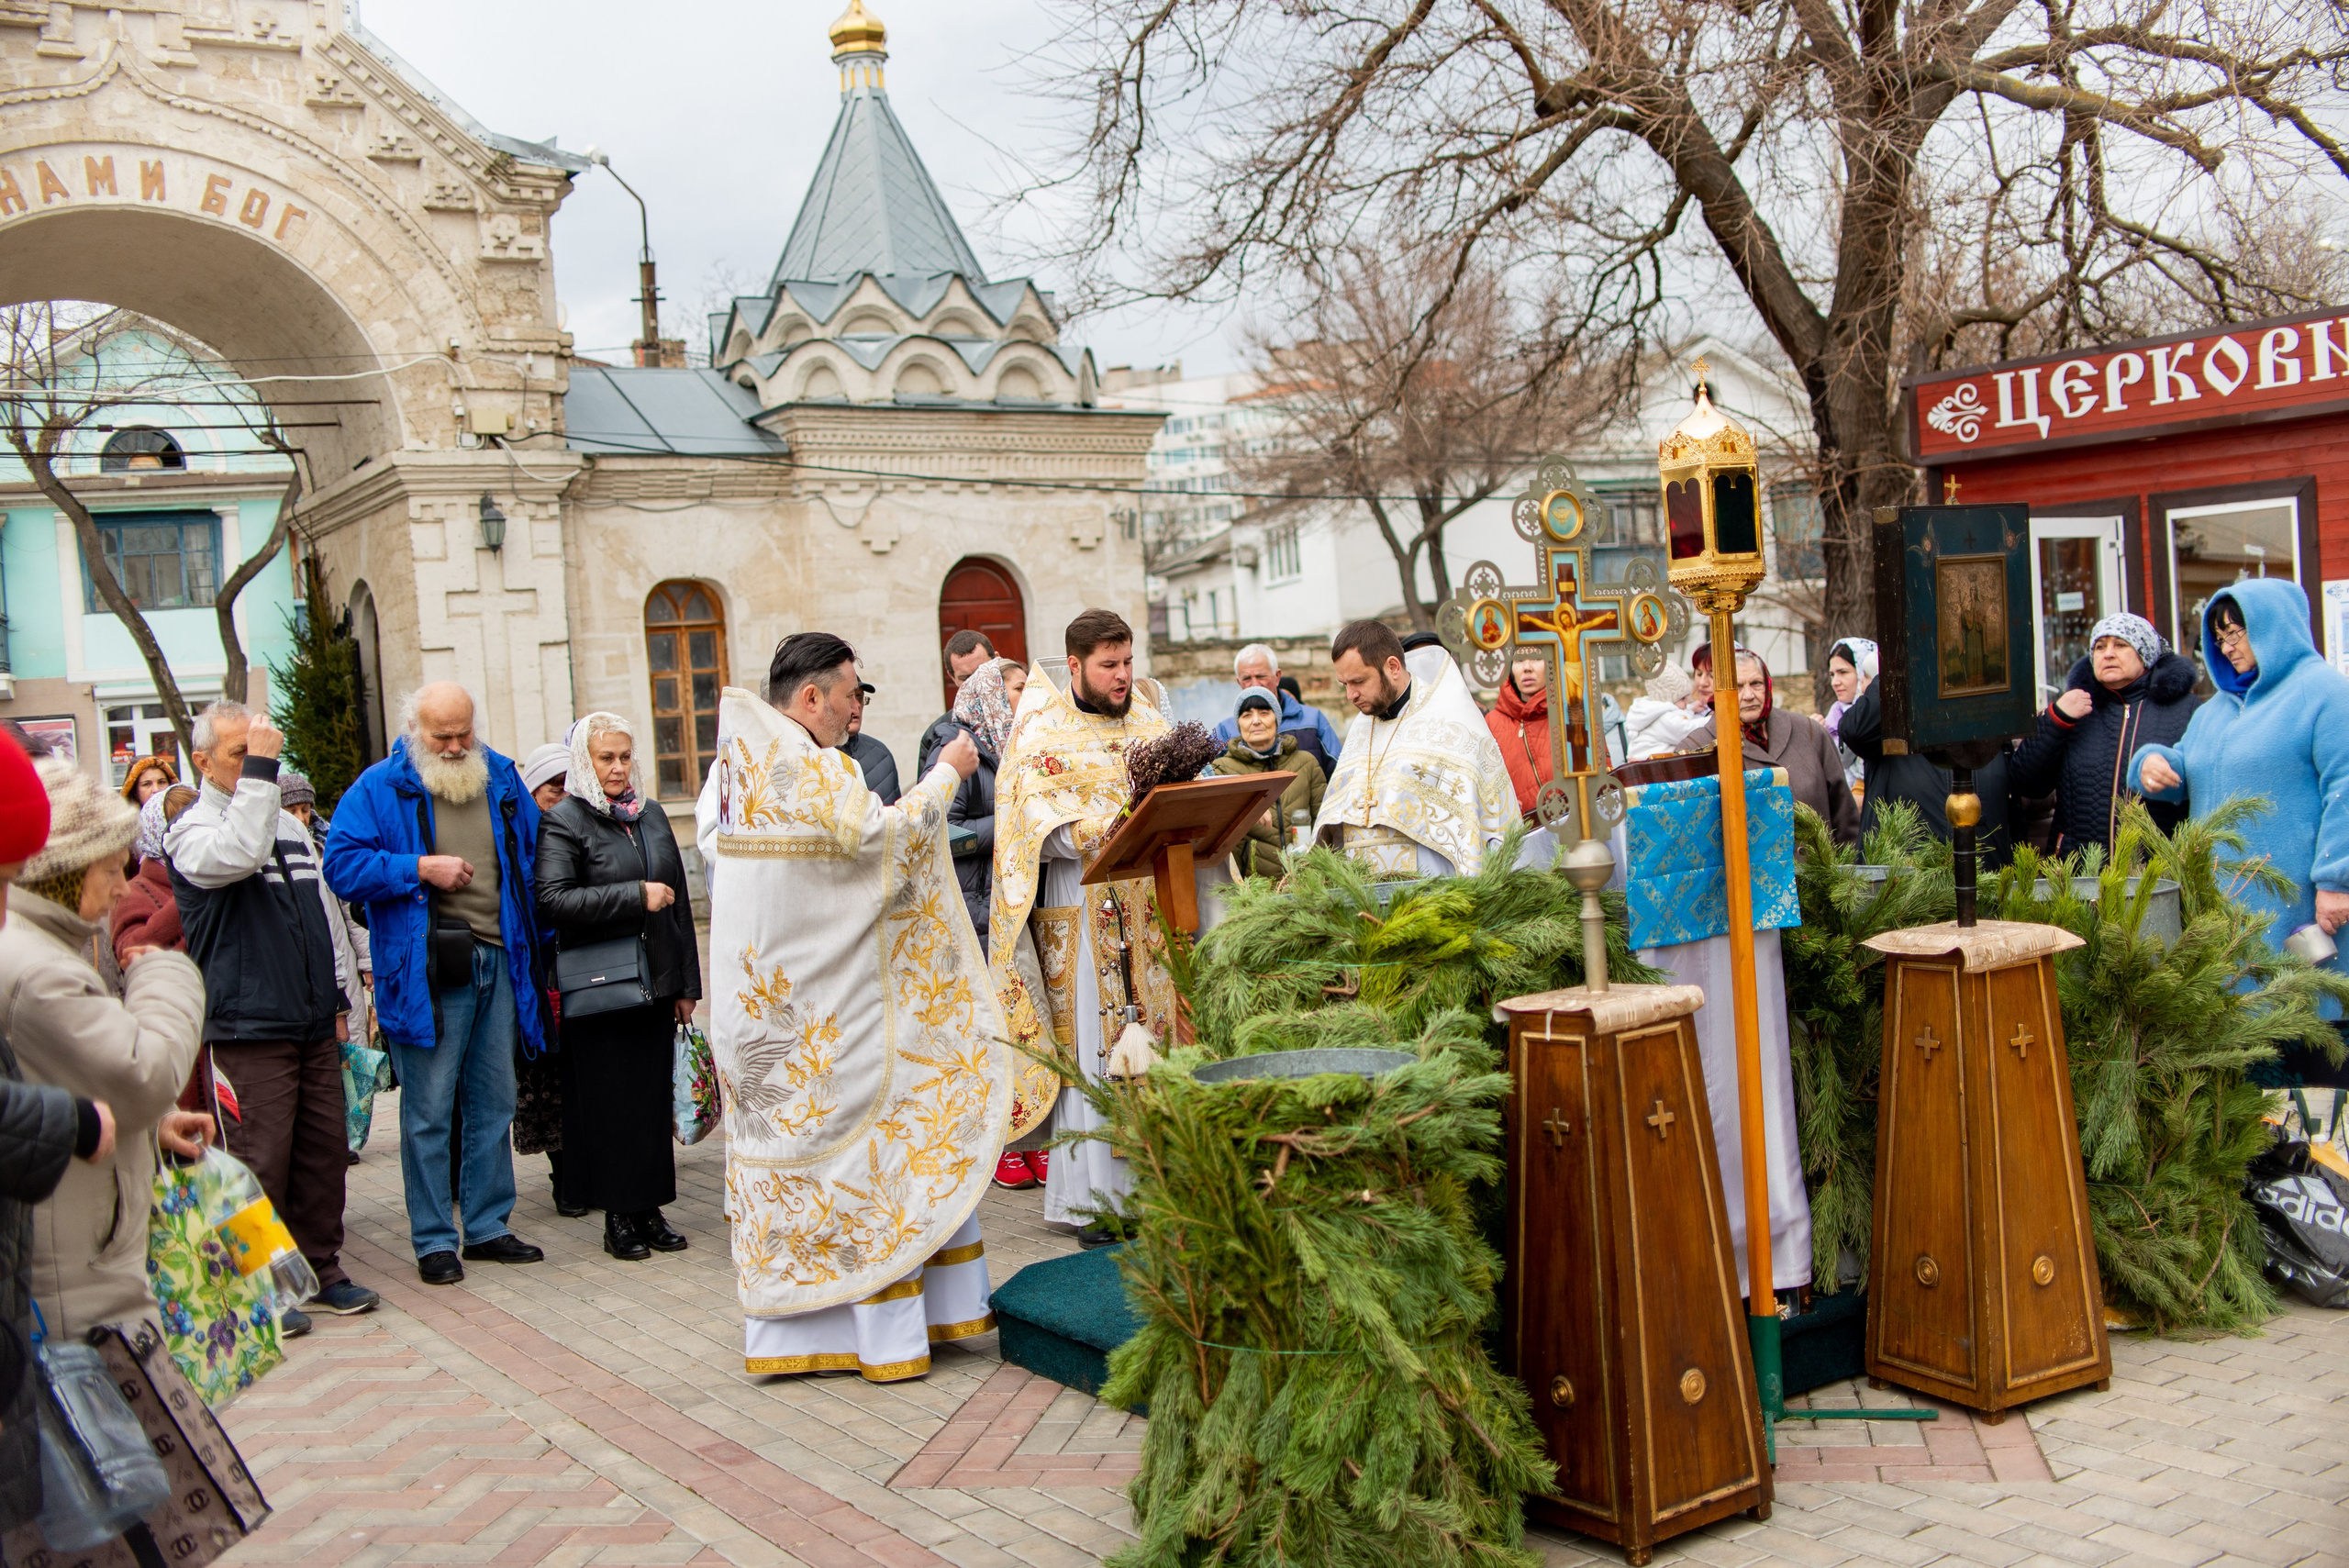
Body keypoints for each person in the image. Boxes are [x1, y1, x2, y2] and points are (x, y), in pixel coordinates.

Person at [698, 632, 1002, 1380]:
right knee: (877, 1145)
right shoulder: (806, 764)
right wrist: (946, 774)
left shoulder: (736, 766)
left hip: (766, 1014)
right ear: (811, 698)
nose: (854, 711)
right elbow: (884, 840)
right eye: (850, 694)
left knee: (802, 1163)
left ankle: (798, 1333)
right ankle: (884, 1334)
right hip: (827, 1017)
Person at [3, 754, 216, 1553]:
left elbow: (52, 1090)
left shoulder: (46, 947)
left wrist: (138, 1130)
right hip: (72, 1295)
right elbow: (141, 1074)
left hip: (82, 1268)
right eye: (109, 862)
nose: (126, 878)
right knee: (115, 1525)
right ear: (62, 872)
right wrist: (167, 978)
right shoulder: (34, 967)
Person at [991, 609, 1222, 1240]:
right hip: (1084, 904)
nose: (1123, 677)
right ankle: (1098, 1201)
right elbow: (1026, 825)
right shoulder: (1039, 728)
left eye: (1127, 663)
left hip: (1151, 903)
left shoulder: (1149, 719)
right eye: (1109, 666)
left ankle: (1158, 1189)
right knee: (1097, 1054)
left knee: (1157, 1041)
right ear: (1075, 665)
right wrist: (1097, 828)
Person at [322, 684, 548, 1285]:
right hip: (424, 971)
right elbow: (340, 864)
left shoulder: (499, 774)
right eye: (440, 735)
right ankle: (432, 1239)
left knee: (494, 1099)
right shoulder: (378, 786)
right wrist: (417, 869)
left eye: (462, 733)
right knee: (428, 1109)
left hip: (500, 962)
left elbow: (533, 854)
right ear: (412, 729)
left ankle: (488, 1225)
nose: (453, 746)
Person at [166, 701, 377, 1324]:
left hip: (310, 1020)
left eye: (263, 754)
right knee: (258, 1156)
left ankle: (319, 1267)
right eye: (242, 754)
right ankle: (257, 1283)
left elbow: (322, 922)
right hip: (246, 1026)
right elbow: (237, 851)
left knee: (322, 1152)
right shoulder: (192, 830)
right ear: (202, 762)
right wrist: (262, 774)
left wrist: (338, 1001)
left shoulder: (286, 828)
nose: (259, 766)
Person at [2132, 583, 2349, 1084]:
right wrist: (2151, 764)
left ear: (2277, 626)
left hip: (2302, 913)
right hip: (2225, 918)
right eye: (2218, 635)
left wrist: (2337, 880)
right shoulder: (2214, 712)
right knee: (2245, 1063)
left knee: (2312, 1051)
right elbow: (2183, 765)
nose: (2228, 646)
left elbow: (2345, 786)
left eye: (2237, 632)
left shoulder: (2324, 693)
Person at [536, 713, 699, 1260]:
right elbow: (553, 901)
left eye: (625, 756)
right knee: (611, 1105)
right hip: (602, 987)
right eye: (606, 757)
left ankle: (650, 1209)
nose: (618, 767)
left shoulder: (650, 814)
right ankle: (618, 1219)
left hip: (654, 982)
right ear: (584, 760)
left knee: (651, 1102)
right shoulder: (565, 820)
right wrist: (634, 896)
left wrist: (686, 985)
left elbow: (677, 904)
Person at [1314, 619, 1513, 877]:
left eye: (1359, 681)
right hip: (1363, 895)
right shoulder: (1361, 728)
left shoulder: (1451, 720)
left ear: (1393, 667)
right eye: (1345, 685)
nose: (1350, 695)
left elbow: (1484, 817)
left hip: (1434, 889)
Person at [2009, 613, 2199, 858]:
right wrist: (2056, 720)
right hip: (2080, 875)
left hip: (2158, 875)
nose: (2108, 653)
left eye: (2120, 645)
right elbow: (2027, 783)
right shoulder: (2073, 710)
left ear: (2146, 653)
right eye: (2100, 647)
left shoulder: (2186, 709)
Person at [1837, 666, 2019, 866]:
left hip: (1986, 879)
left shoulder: (1987, 689)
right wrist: (1908, 663)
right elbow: (1857, 731)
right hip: (1904, 885)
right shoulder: (1900, 691)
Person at [1686, 648, 1861, 846]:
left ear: (1768, 685)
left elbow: (1846, 819)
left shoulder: (1810, 733)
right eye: (1737, 687)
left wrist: (1848, 873)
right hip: (1744, 876)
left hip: (1820, 875)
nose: (1749, 695)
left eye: (1756, 684)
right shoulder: (1696, 748)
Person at [946, 657, 1024, 951]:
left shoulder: (1013, 747)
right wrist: (1014, 821)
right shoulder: (958, 749)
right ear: (995, 698)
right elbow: (948, 832)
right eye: (1020, 688)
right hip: (978, 904)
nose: (1030, 697)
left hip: (1014, 896)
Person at [1212, 689, 1329, 876]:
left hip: (1305, 878)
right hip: (1252, 884)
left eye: (1264, 713)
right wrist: (1246, 804)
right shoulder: (1222, 769)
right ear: (1238, 724)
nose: (1256, 721)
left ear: (1277, 719)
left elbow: (1324, 822)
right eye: (1247, 715)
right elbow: (1215, 827)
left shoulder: (1306, 763)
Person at [1209, 643, 1341, 773]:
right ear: (1239, 682)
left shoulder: (1312, 720)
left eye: (1261, 676)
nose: (1255, 684)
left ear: (1277, 676)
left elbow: (1338, 770)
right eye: (1247, 678)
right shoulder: (1226, 730)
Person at [113, 783, 198, 964]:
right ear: (160, 834)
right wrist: (191, 896)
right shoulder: (133, 893)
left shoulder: (224, 876)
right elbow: (128, 953)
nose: (198, 838)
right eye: (185, 829)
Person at [1485, 654, 1555, 819]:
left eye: (1537, 658)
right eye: (1519, 660)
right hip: (1522, 835)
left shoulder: (1572, 712)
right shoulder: (1491, 723)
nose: (1527, 668)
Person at [918, 628, 996, 775]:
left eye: (982, 672)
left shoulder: (1028, 712)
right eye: (965, 678)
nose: (975, 684)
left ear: (997, 660)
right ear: (952, 676)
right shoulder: (936, 734)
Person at [1821, 638, 1877, 791]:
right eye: (1832, 674)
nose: (1835, 682)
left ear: (1863, 672)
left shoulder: (1875, 719)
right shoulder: (1834, 717)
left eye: (1843, 672)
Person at [838, 677, 902, 804]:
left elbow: (896, 818)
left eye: (860, 697)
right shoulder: (813, 754)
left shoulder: (881, 755)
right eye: (849, 697)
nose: (857, 706)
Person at [1622, 664, 1705, 760]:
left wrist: (1691, 709)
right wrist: (1713, 719)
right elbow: (1687, 731)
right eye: (1683, 699)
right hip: (1650, 769)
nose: (1687, 703)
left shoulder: (1652, 712)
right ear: (1667, 700)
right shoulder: (1664, 719)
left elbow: (1677, 713)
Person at [521, 741, 569, 812]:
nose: (568, 797)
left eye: (574, 790)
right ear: (534, 792)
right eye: (556, 791)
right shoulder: (521, 821)